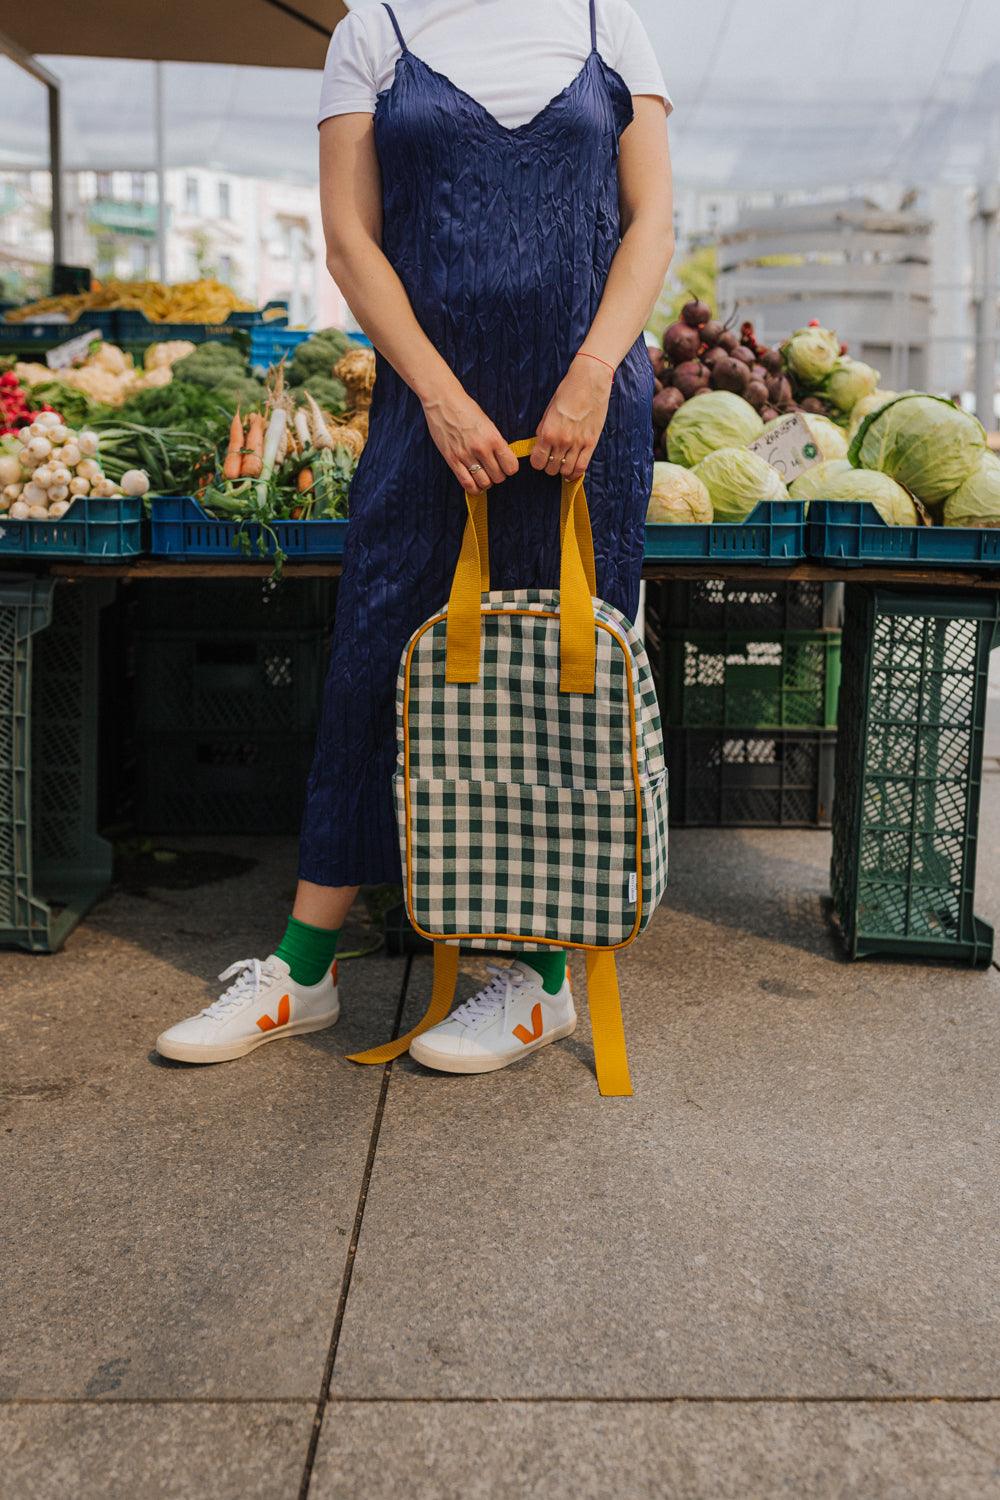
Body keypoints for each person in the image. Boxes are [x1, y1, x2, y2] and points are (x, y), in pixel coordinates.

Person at [156, 0, 674, 1073]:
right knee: (374, 658)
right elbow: (351, 243)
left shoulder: (603, 24)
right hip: (423, 411)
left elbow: (652, 222)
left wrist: (587, 379)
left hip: (583, 416)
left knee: (557, 671)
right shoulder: (374, 29)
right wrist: (436, 398)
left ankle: (538, 984)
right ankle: (303, 971)